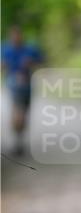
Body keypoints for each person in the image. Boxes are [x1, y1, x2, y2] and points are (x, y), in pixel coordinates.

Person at [1, 25, 44, 156]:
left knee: (24, 114)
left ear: (21, 36)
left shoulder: (30, 49)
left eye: (18, 35)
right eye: (13, 36)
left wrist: (31, 63)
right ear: (10, 37)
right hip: (13, 83)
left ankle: (18, 139)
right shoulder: (5, 49)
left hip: (28, 85)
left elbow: (41, 62)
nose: (16, 38)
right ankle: (16, 141)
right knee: (17, 112)